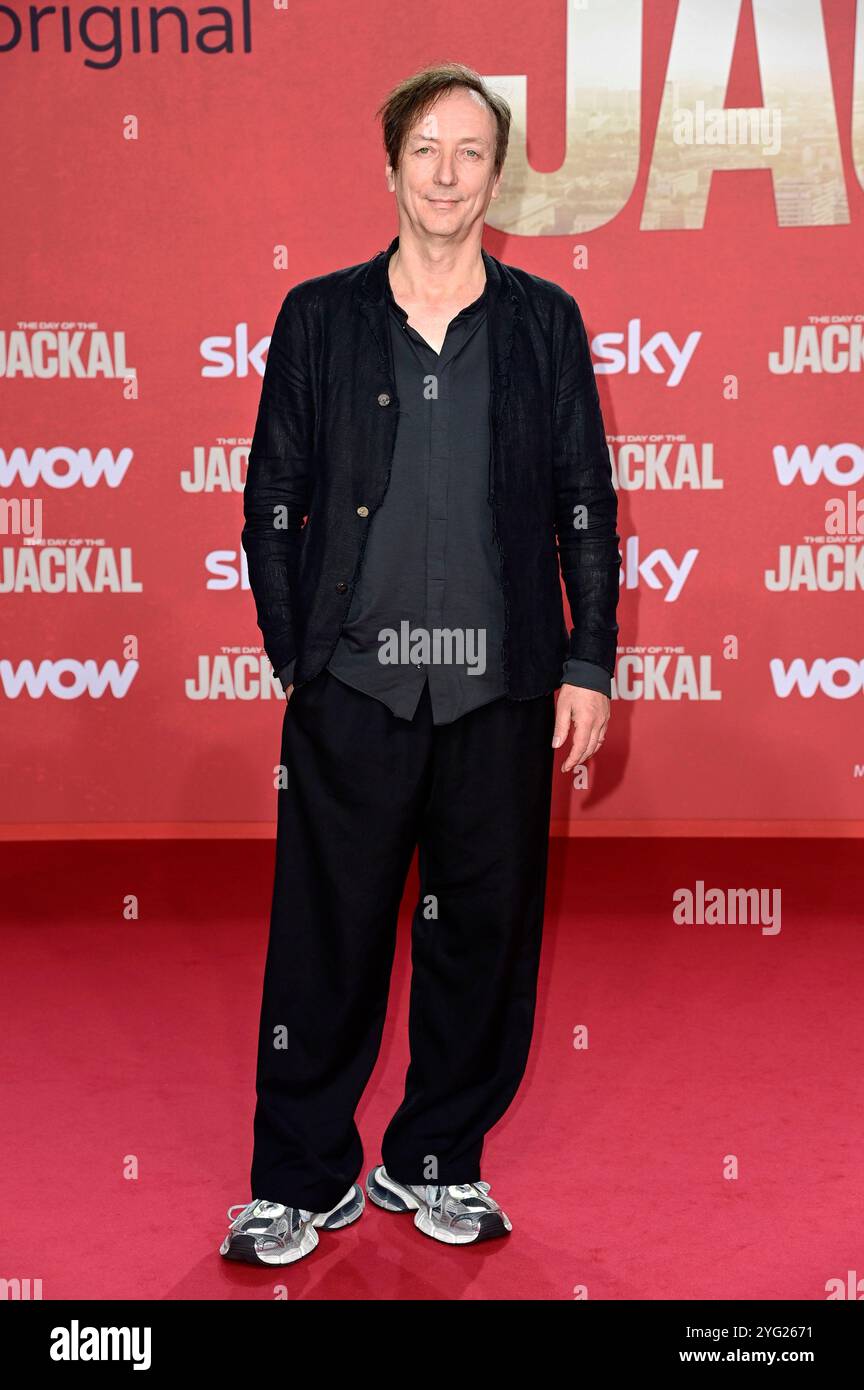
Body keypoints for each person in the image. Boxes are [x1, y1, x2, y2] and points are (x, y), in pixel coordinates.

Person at [220, 62, 620, 1267]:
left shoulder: (543, 321)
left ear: (500, 177)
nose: (448, 174)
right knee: (322, 940)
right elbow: (272, 495)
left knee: (481, 939)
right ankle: (300, 1177)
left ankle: (436, 1158)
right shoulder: (320, 318)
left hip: (500, 691)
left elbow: (584, 504)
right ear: (389, 163)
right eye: (427, 150)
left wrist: (588, 660)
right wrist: (301, 659)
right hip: (356, 685)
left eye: (472, 154)